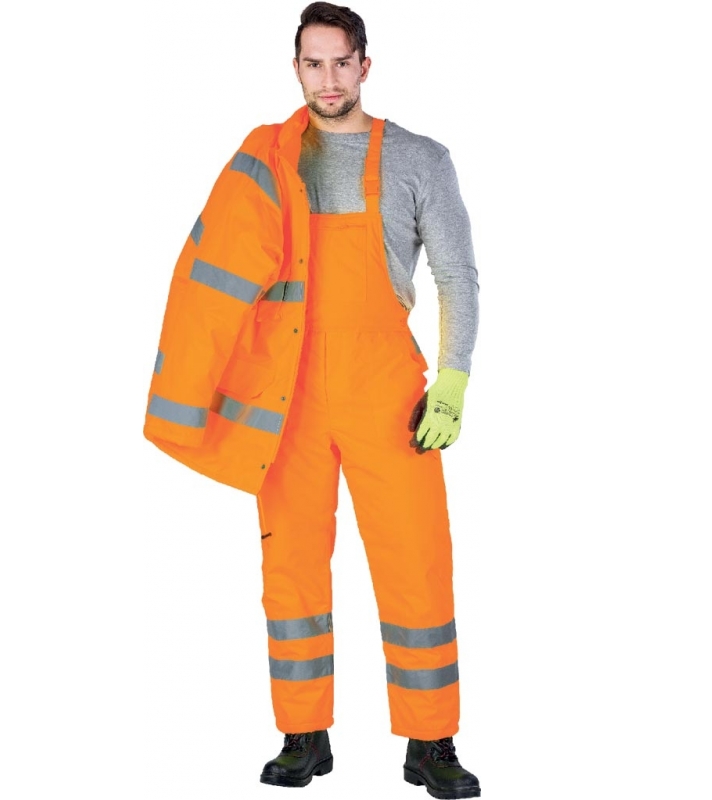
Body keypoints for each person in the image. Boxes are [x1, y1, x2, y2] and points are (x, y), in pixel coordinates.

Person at [143, 3, 480, 797]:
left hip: (385, 391)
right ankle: (304, 734)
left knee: (416, 562)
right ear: (296, 68)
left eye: (341, 62)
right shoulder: (269, 159)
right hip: (285, 393)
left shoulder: (420, 159)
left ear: (366, 65)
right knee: (290, 567)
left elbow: (456, 276)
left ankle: (431, 741)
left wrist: (454, 377)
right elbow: (215, 278)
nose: (328, 79)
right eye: (313, 63)